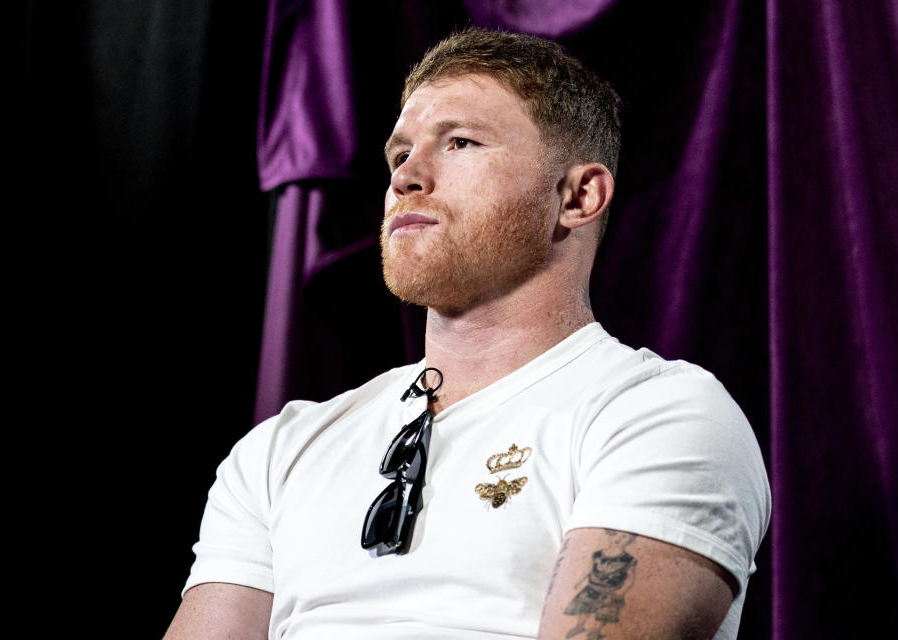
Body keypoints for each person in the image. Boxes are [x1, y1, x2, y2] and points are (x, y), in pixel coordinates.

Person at [165, 27, 770, 640]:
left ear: (579, 195)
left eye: (459, 142)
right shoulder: (279, 451)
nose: (407, 177)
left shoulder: (659, 414)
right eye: (398, 155)